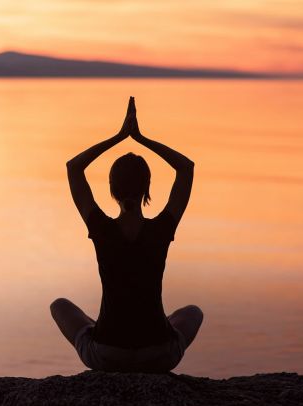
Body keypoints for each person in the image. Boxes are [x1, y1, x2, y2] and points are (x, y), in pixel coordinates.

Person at [50, 96, 203, 373]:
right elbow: (186, 168)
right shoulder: (162, 228)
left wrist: (119, 137)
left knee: (59, 306)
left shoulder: (101, 228)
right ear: (147, 188)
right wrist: (141, 139)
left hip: (108, 354)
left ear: (111, 188)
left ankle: (100, 328)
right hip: (159, 356)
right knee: (192, 312)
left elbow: (74, 168)